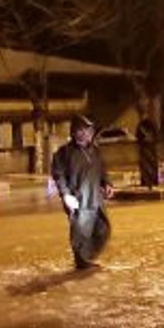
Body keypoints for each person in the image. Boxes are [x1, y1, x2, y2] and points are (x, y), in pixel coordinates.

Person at [51, 115, 114, 270]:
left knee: (102, 228)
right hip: (77, 199)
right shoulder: (64, 153)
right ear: (73, 132)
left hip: (95, 197)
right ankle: (82, 262)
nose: (84, 133)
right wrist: (65, 195)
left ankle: (87, 257)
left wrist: (107, 183)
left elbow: (101, 170)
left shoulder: (95, 151)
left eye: (87, 130)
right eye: (80, 130)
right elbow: (58, 175)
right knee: (81, 232)